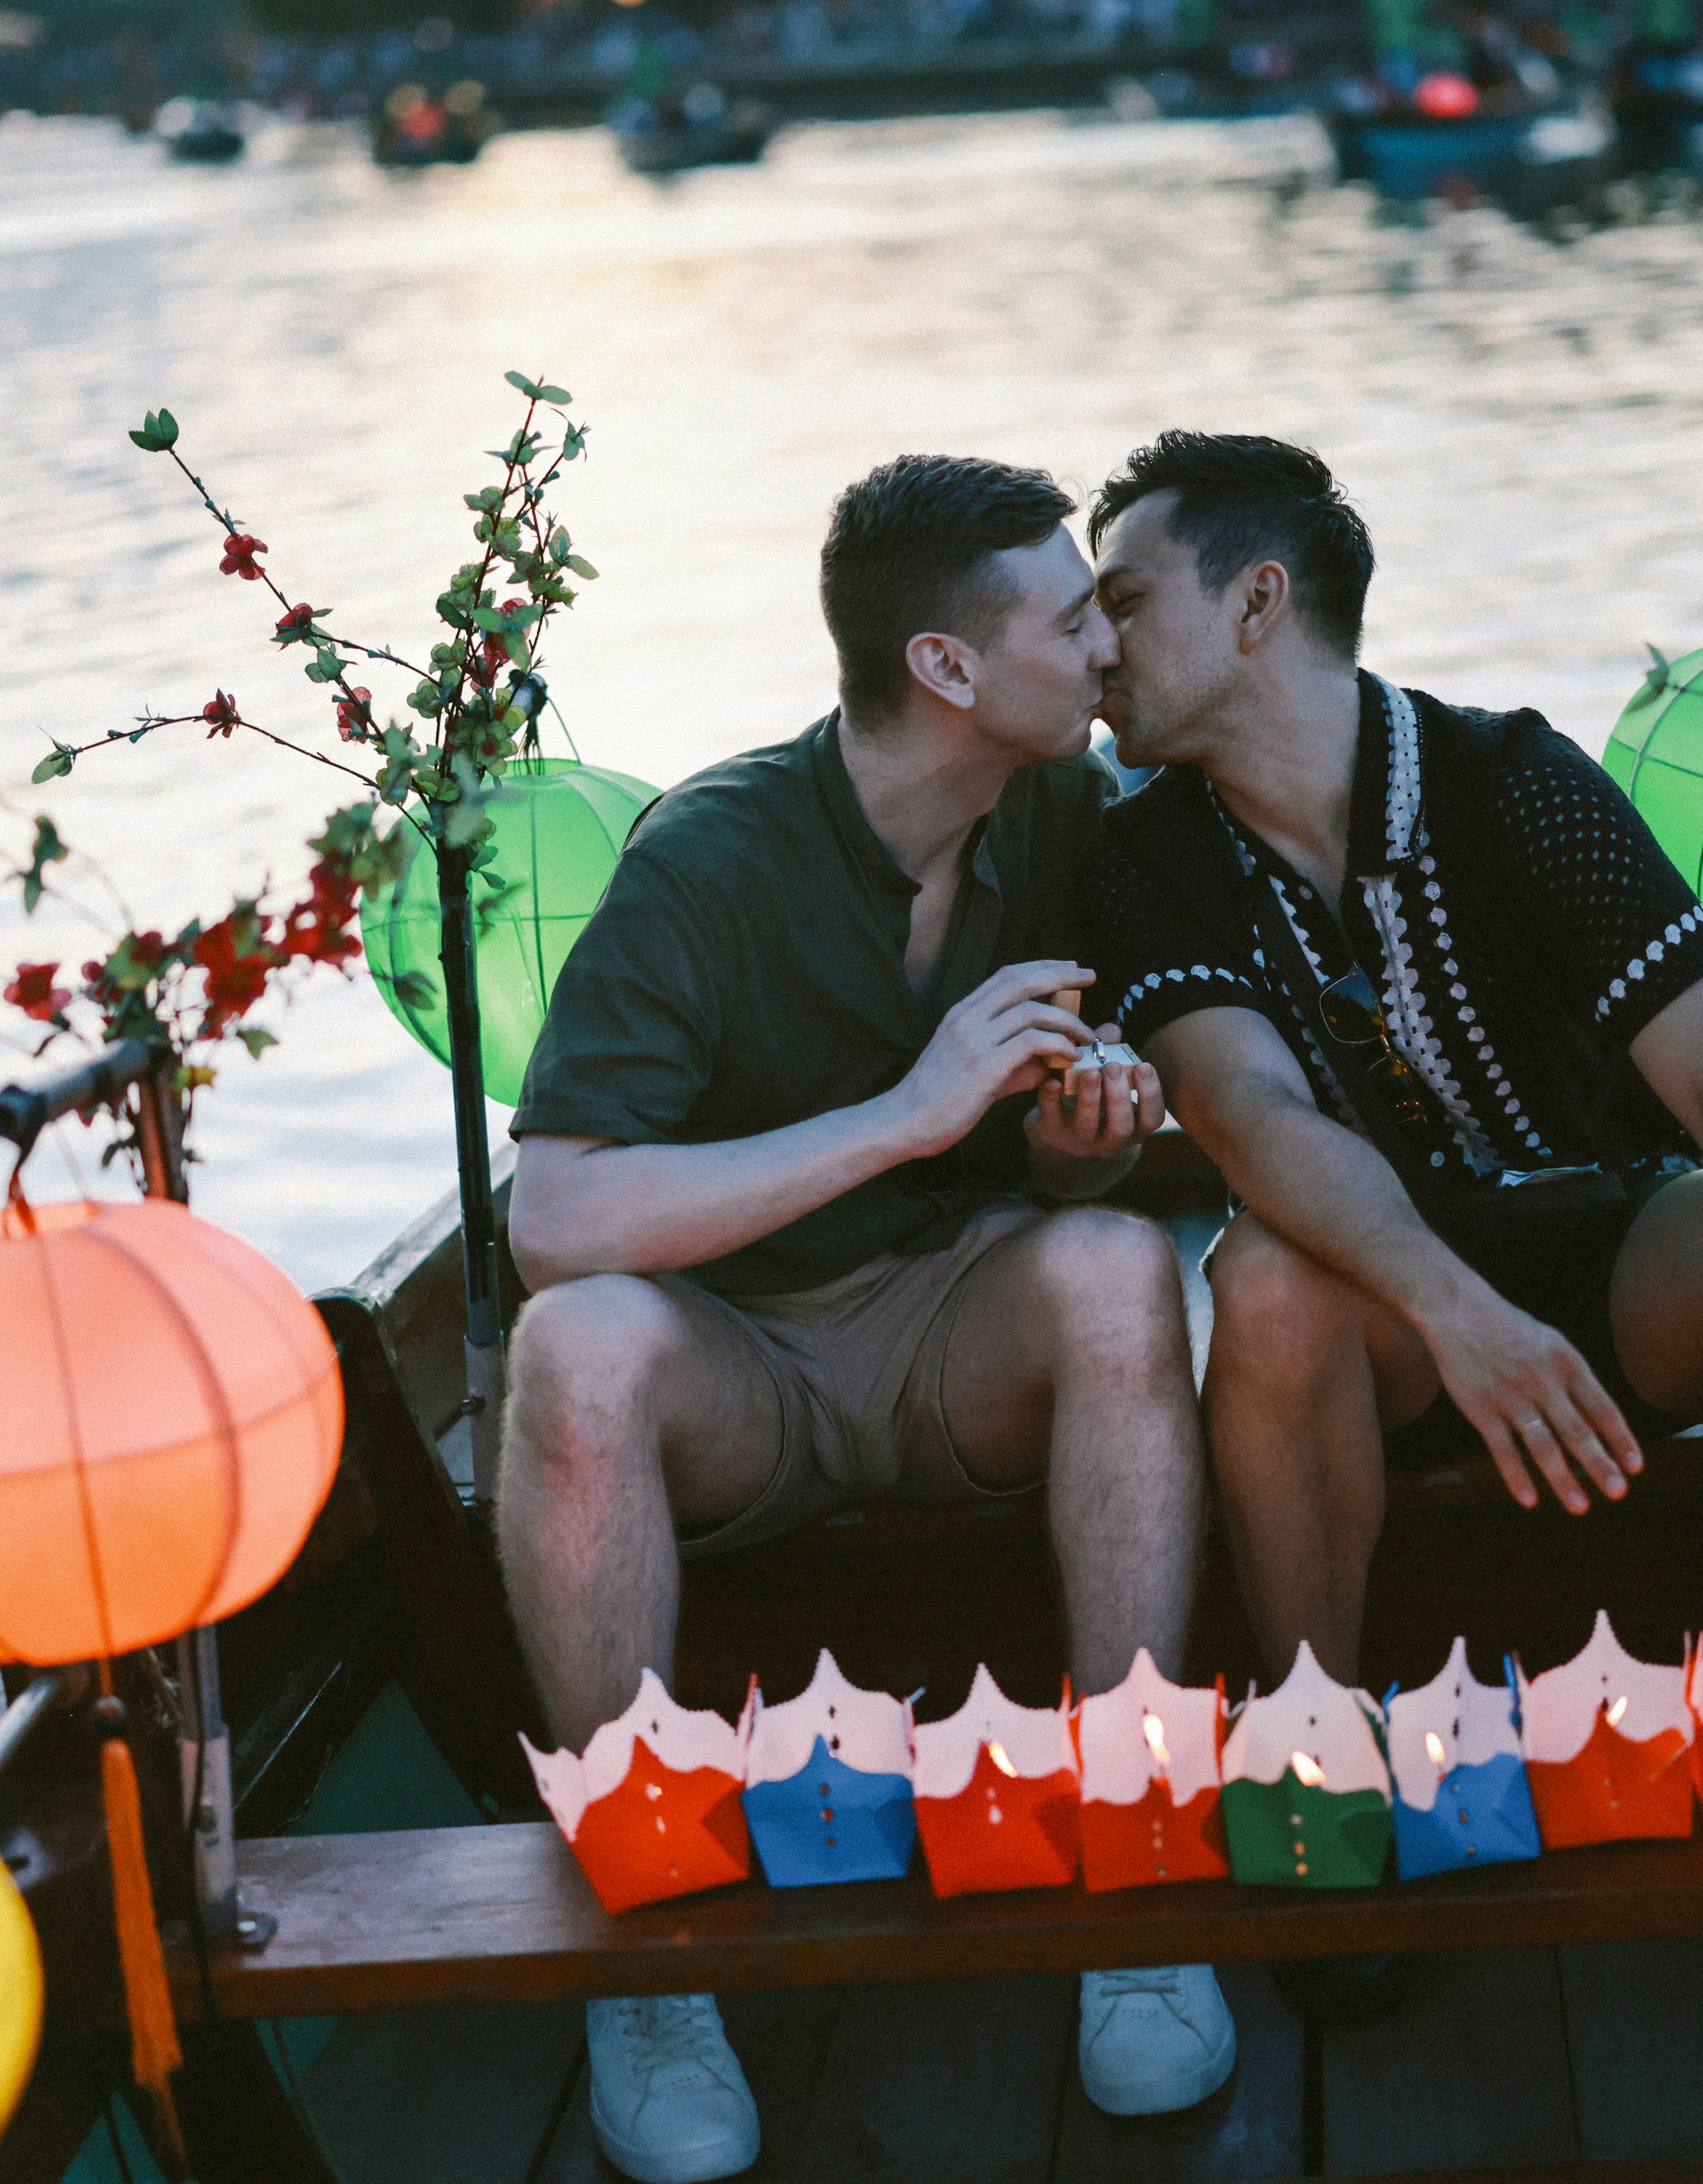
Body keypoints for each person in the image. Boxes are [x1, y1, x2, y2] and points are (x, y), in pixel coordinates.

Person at [498, 455, 1236, 2184]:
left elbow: (1059, 1189)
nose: (1105, 648)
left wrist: (1071, 1151)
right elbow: (557, 1217)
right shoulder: (710, 856)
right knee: (576, 1346)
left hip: (944, 1321)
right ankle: (653, 1949)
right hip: (730, 1358)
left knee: (1122, 1271)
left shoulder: (1063, 810)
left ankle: (1133, 1885)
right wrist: (905, 1114)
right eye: (1073, 621)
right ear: (947, 671)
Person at [1077, 430, 1703, 1690]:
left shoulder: (1513, 779)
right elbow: (1248, 1115)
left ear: (1257, 602)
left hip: (1626, 1280)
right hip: (1386, 1330)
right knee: (1271, 1285)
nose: (1096, 651)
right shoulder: (1142, 857)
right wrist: (1459, 1313)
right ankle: (1318, 1733)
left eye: (1123, 602)